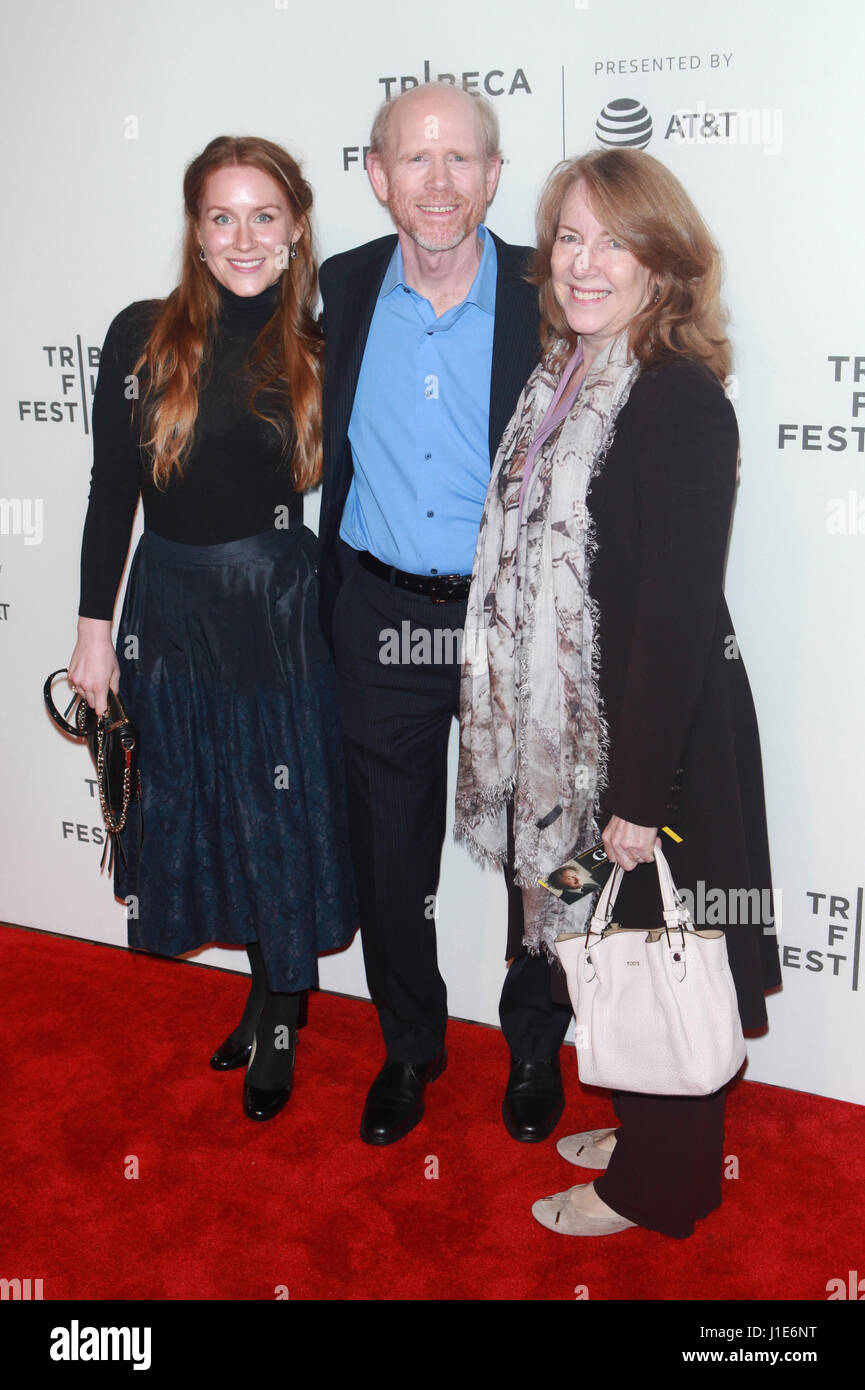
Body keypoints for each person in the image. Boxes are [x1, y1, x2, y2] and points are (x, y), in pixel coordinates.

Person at [456, 148, 781, 1237]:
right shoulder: (565, 373)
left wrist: (638, 795)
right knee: (602, 943)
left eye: (617, 241)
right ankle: (647, 1129)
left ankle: (663, 1183)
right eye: (569, 237)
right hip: (570, 735)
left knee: (654, 950)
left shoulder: (678, 397)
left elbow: (678, 615)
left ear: (666, 264)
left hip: (655, 733)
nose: (586, 263)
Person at [68, 135, 357, 1124]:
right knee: (210, 800)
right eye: (221, 217)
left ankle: (282, 1010)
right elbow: (114, 493)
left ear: (296, 228)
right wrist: (93, 630)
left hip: (276, 603)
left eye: (263, 215)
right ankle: (263, 987)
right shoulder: (138, 336)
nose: (243, 237)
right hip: (171, 606)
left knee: (276, 804)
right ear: (196, 232)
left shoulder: (323, 344)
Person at [318, 81, 572, 1146]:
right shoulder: (336, 287)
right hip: (379, 610)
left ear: (495, 175)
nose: (438, 183)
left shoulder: (547, 293)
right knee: (390, 848)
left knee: (539, 837)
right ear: (376, 176)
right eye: (413, 160)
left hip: (510, 617)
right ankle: (412, 1044)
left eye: (460, 160)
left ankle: (531, 1041)